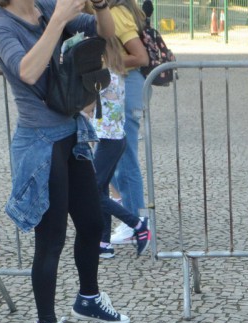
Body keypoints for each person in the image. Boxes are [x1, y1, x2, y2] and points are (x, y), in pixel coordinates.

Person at [0, 0, 129, 323]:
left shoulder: (45, 6)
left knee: (92, 222)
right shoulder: (0, 24)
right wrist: (59, 22)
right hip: (39, 142)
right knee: (51, 237)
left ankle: (88, 298)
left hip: (71, 133)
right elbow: (27, 71)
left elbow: (106, 32)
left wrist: (99, 8)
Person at [94, 34, 150, 259]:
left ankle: (137, 224)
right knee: (100, 188)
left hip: (110, 139)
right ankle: (103, 242)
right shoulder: (112, 73)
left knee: (92, 191)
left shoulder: (105, 75)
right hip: (111, 138)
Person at [107, 0, 149, 244]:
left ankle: (135, 222)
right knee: (111, 158)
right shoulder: (115, 11)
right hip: (120, 87)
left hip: (125, 86)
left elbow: (140, 56)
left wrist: (104, 64)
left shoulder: (116, 14)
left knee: (125, 159)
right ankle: (131, 215)